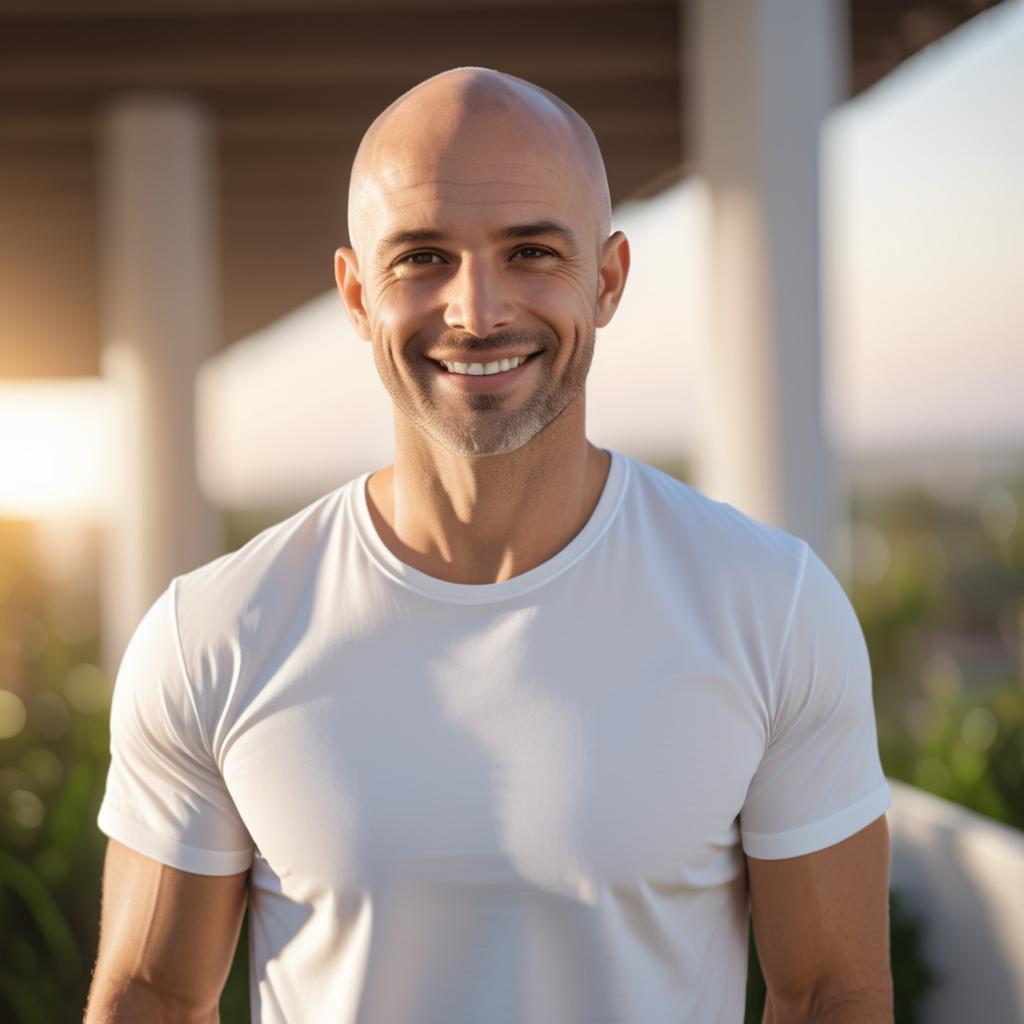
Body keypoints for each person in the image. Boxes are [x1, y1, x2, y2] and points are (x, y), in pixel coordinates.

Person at [85, 67, 894, 1023]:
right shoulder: (212, 634)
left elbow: (832, 994)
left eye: (531, 252)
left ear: (607, 279)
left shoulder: (770, 606)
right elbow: (151, 996)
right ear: (354, 295)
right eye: (422, 257)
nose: (476, 310)